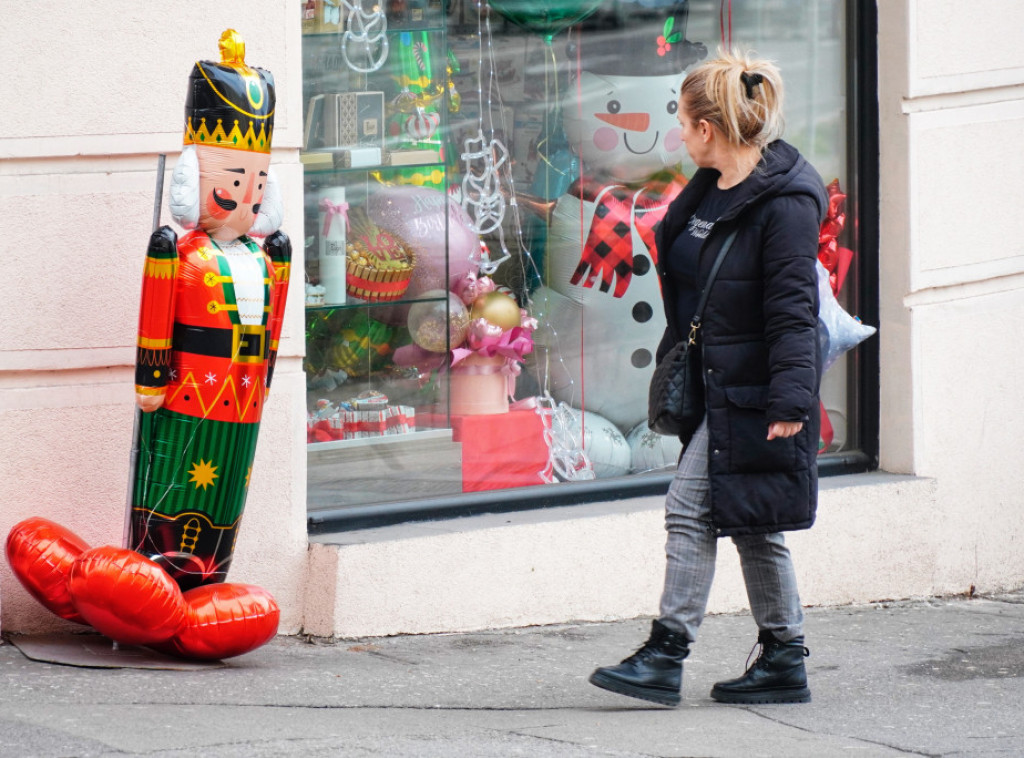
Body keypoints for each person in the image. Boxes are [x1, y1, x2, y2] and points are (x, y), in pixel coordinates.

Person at [589, 50, 827, 707]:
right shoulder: (708, 189)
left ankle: (666, 653)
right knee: (751, 520)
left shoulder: (784, 204)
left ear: (707, 129)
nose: (679, 133)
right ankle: (783, 656)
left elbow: (791, 310)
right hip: (712, 380)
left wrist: (788, 400)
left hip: (755, 390)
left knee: (688, 507)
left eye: (683, 120)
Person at [130, 29, 292, 590]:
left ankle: (211, 581)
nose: (245, 193)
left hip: (243, 395)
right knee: (176, 480)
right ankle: (160, 579)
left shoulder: (261, 254)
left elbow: (272, 321)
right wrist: (150, 377)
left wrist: (266, 373)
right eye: (233, 178)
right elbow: (158, 310)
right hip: (189, 388)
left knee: (228, 487)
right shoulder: (182, 251)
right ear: (195, 176)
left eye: (257, 182)